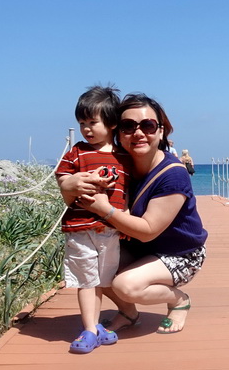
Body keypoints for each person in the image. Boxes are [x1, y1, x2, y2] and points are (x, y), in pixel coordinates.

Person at [77, 93, 208, 335]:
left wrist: (103, 209)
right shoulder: (116, 164)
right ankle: (128, 312)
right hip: (141, 248)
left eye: (147, 125)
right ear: (117, 132)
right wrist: (68, 184)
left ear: (161, 131)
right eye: (128, 126)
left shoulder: (172, 174)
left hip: (180, 253)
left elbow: (148, 231)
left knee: (125, 285)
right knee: (92, 262)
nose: (138, 133)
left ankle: (179, 300)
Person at [55, 84, 139, 354]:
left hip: (111, 230)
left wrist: (126, 220)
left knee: (103, 278)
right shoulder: (77, 152)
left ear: (112, 123)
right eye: (82, 123)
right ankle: (90, 329)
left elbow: (128, 192)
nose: (86, 129)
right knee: (86, 279)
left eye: (93, 122)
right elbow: (63, 177)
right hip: (80, 228)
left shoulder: (124, 157)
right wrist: (72, 183)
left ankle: (102, 325)